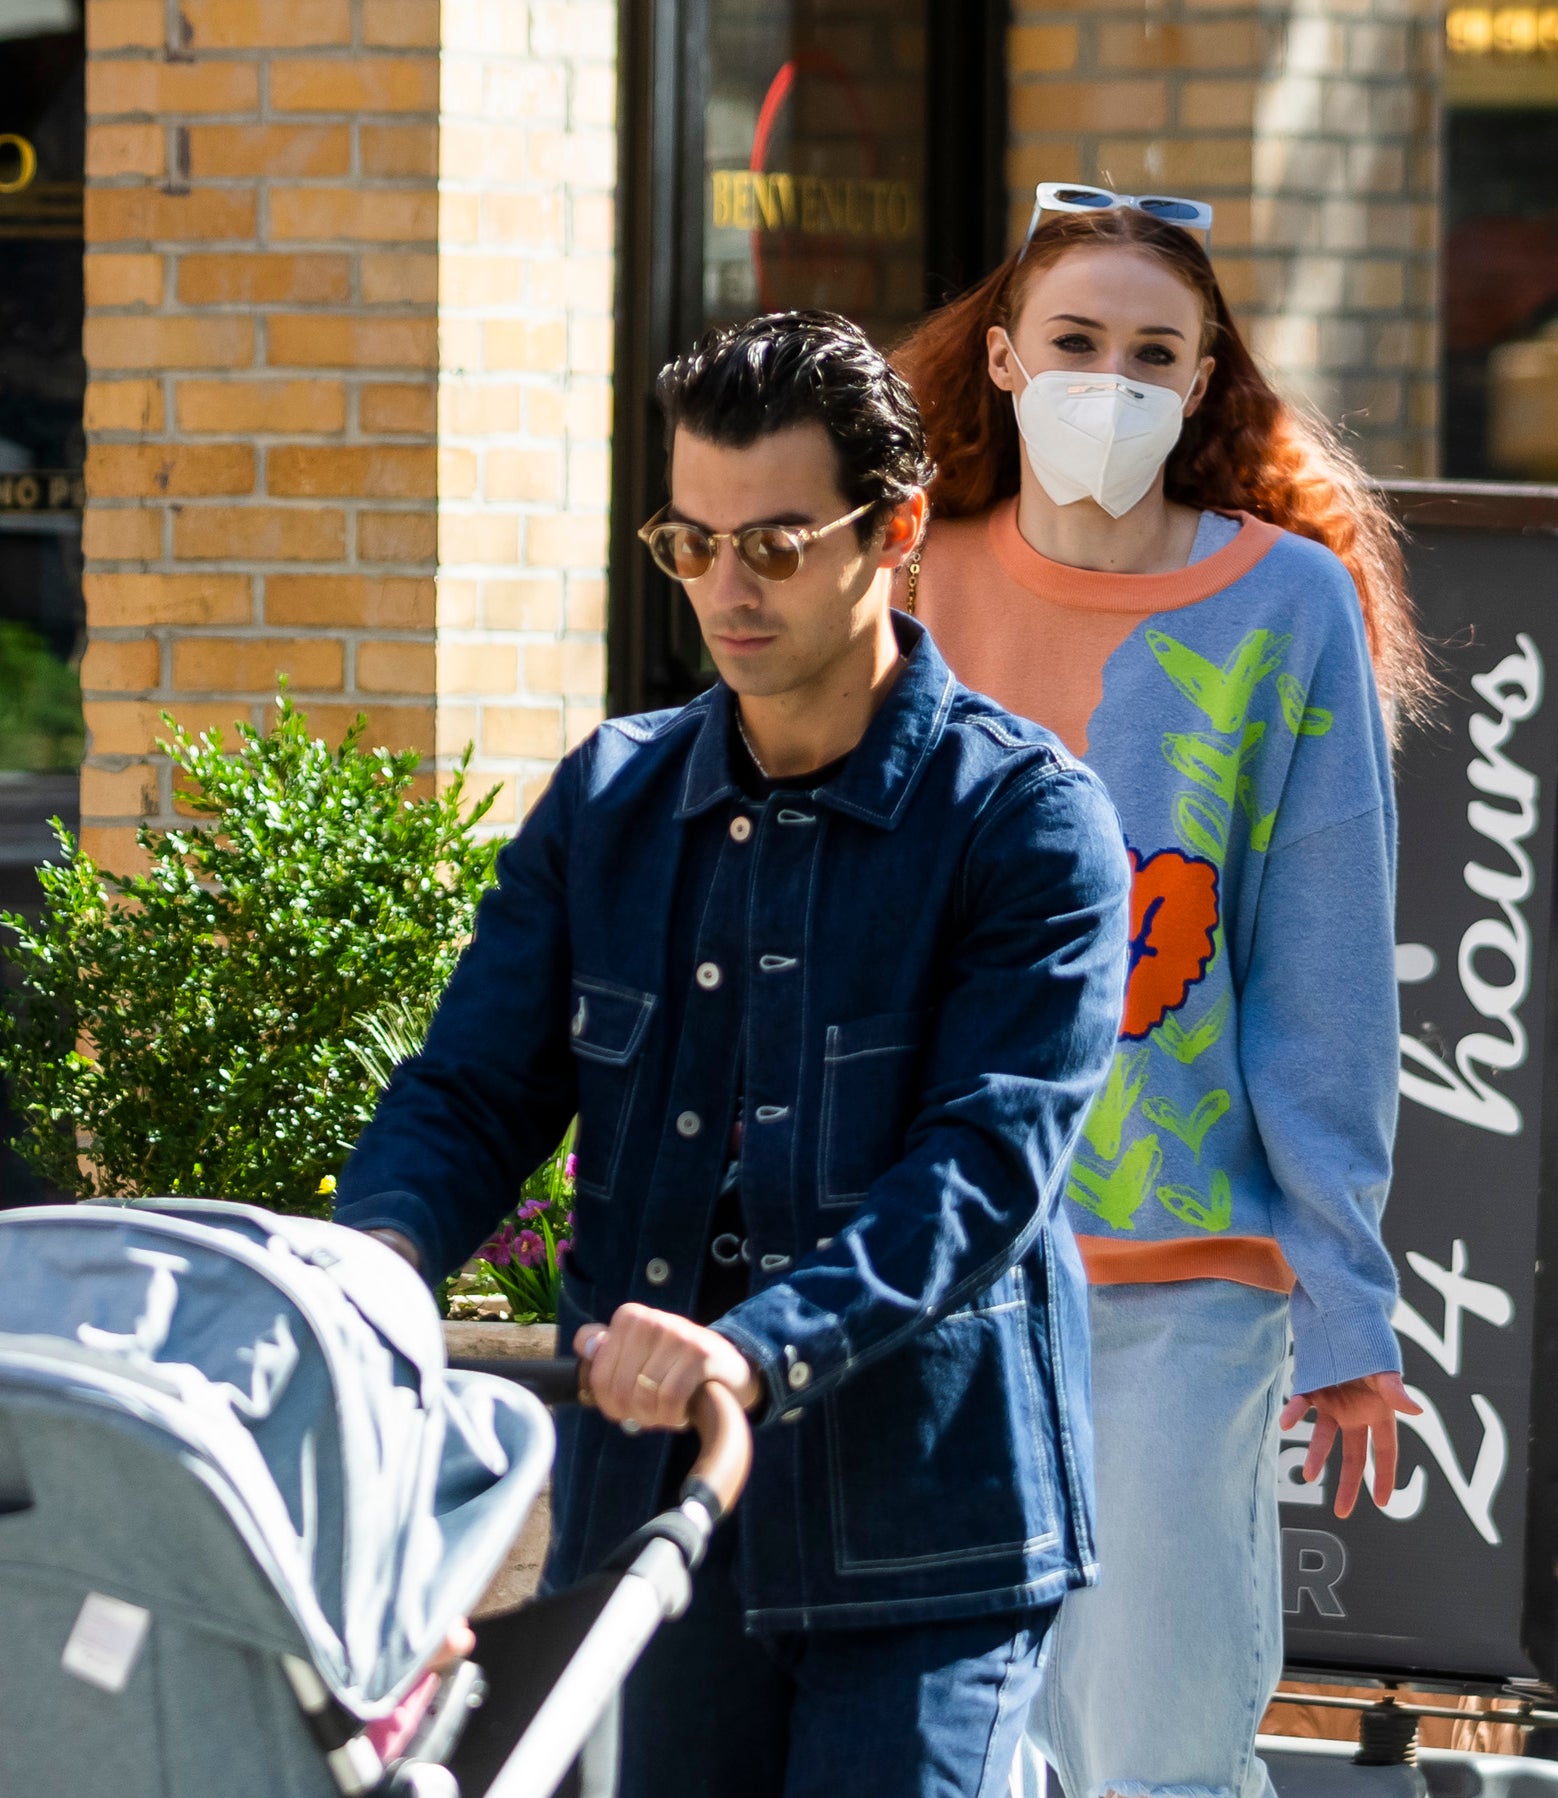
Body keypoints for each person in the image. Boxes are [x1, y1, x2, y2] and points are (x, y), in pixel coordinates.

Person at [333, 309, 1132, 1798]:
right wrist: (366, 1265)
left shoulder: (1024, 821)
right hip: (651, 1531)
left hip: (923, 1542)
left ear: (893, 529)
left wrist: (752, 1346)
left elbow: (983, 1165)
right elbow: (472, 1090)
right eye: (689, 542)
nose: (723, 586)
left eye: (772, 541)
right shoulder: (610, 800)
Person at [892, 187, 1429, 1798]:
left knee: (1155, 1751)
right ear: (999, 357)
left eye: (1151, 352)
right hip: (936, 1259)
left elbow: (1319, 966)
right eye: (1073, 341)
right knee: (953, 1747)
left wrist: (1346, 1294)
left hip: (1187, 1274)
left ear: (1201, 384)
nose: (1108, 380)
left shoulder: (1285, 604)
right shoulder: (911, 585)